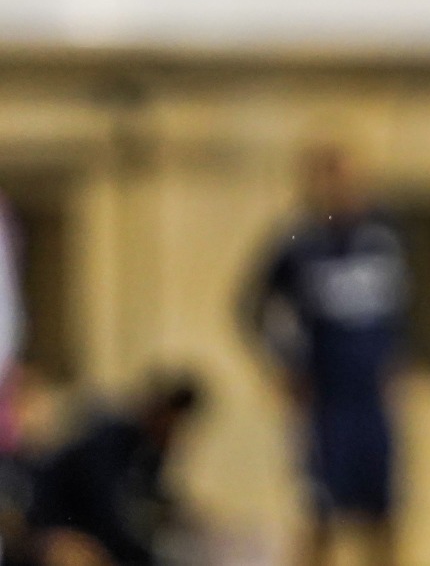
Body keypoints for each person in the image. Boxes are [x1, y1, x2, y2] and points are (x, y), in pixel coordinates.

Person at [240, 145, 407, 566]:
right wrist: (285, 367)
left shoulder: (383, 237)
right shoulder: (298, 242)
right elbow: (252, 308)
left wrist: (399, 361)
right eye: (332, 179)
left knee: (384, 510)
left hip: (371, 397)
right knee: (321, 510)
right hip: (326, 400)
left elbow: (404, 309)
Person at [29, 373, 205, 566]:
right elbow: (104, 509)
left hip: (92, 533)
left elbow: (151, 498)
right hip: (56, 529)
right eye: (171, 424)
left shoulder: (145, 450)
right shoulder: (111, 441)